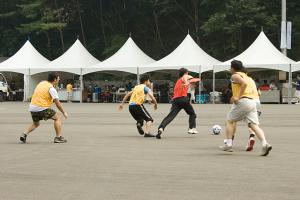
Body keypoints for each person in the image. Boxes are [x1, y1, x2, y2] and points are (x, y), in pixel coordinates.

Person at [220, 60, 272, 156]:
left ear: (233, 68)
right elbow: (253, 89)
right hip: (253, 102)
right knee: (253, 125)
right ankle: (265, 143)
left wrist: (237, 97)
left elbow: (244, 84)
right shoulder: (249, 77)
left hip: (243, 101)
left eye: (230, 67)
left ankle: (228, 144)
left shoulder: (235, 75)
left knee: (229, 121)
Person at [20, 72, 68, 143]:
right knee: (57, 117)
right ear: (55, 79)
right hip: (41, 108)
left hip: (32, 108)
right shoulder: (51, 88)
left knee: (36, 123)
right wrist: (64, 112)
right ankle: (58, 137)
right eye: (58, 78)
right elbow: (57, 103)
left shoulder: (41, 83)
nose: (59, 79)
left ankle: (24, 134)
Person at [156, 68, 198, 139]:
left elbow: (189, 81)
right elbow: (186, 77)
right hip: (183, 99)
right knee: (192, 114)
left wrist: (188, 82)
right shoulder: (184, 77)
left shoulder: (178, 81)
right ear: (185, 73)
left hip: (175, 101)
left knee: (170, 116)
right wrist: (188, 81)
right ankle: (191, 128)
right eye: (187, 73)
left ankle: (161, 128)